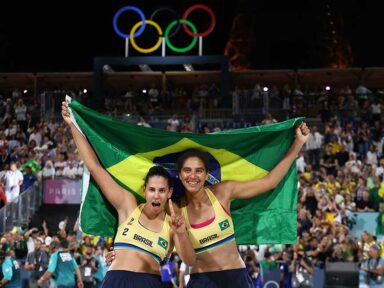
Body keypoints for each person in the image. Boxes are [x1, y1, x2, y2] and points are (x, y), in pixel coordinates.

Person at [108, 122, 309, 287]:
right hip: (200, 281)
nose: (192, 176)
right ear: (180, 175)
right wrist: (120, 254)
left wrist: (298, 144)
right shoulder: (175, 208)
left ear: (206, 175)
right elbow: (147, 230)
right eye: (187, 170)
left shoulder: (223, 192)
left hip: (235, 278)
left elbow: (270, 181)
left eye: (198, 171)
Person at [62, 101, 195, 287]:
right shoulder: (128, 205)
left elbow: (189, 261)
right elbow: (95, 167)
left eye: (162, 190)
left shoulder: (173, 224)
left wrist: (181, 233)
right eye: (152, 189)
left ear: (169, 193)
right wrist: (73, 124)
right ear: (144, 190)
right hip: (115, 281)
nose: (156, 195)